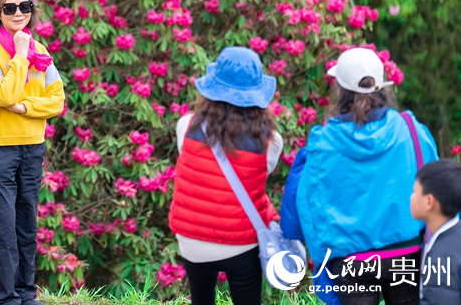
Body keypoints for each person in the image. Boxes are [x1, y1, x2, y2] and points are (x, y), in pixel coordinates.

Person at [281, 47, 439, 305]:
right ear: (383, 88)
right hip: (406, 251)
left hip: (351, 260)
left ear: (339, 90)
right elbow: (439, 186)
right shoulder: (410, 131)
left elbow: (305, 202)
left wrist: (315, 250)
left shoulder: (323, 144)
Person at [0, 0, 65, 305]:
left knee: (26, 224)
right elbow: (3, 94)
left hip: (32, 145)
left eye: (24, 6)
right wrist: (21, 55)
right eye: (9, 7)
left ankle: (26, 294)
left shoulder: (43, 52)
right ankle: (4, 297)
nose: (18, 13)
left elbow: (57, 101)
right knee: (1, 227)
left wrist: (25, 108)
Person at [168, 46, 282, 305]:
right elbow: (263, 172)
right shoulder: (271, 140)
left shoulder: (186, 125)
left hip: (192, 238)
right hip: (241, 241)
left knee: (201, 299)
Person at [411, 159, 461, 305]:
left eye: (415, 191)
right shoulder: (454, 236)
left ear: (429, 202)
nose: (411, 197)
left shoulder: (440, 256)